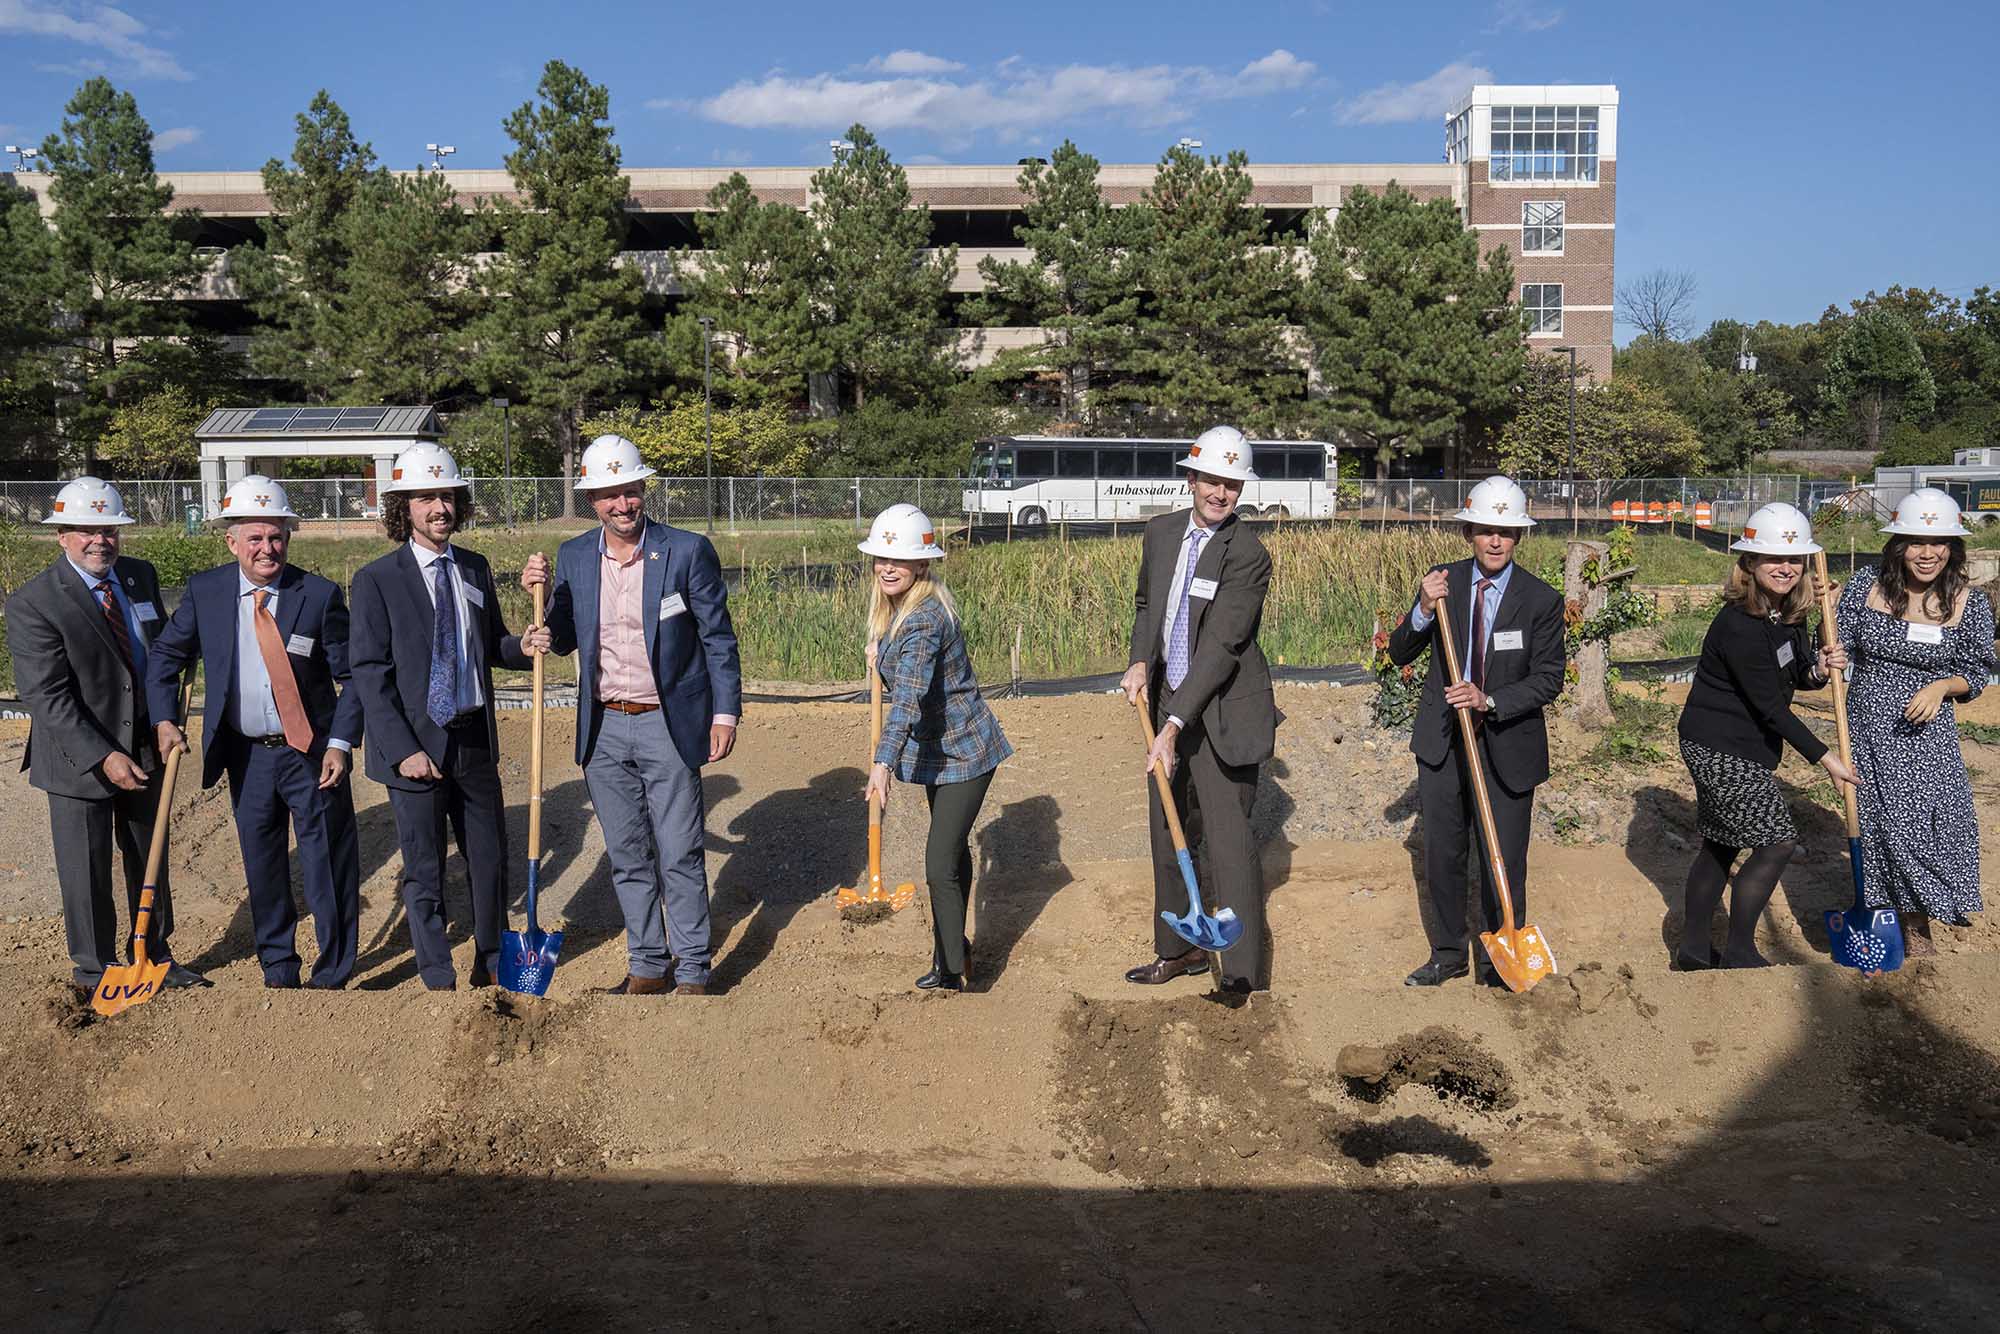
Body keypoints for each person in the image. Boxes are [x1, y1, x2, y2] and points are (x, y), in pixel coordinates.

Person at [519, 433, 742, 997]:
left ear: (644, 489)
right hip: (603, 726)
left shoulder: (687, 551)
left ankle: (692, 971)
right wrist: (541, 615)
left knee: (680, 852)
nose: (621, 504)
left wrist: (725, 713)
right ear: (592, 499)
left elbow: (718, 639)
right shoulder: (573, 556)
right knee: (626, 854)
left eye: (629, 491)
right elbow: (566, 636)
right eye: (607, 495)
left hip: (667, 723)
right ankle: (647, 965)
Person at [145, 476, 365, 989]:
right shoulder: (207, 592)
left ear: (289, 537)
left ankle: (332, 971)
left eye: (277, 538)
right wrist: (162, 718)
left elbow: (353, 675)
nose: (267, 549)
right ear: (232, 541)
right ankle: (279, 967)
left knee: (327, 861)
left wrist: (339, 743)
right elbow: (165, 657)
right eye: (255, 539)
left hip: (311, 751)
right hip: (247, 755)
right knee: (263, 863)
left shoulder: (318, 594)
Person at [5, 477, 208, 997]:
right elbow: (47, 696)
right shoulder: (34, 602)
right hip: (78, 760)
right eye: (86, 531)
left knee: (150, 857)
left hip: (145, 745)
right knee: (87, 870)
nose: (100, 541)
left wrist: (164, 715)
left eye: (109, 530)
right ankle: (94, 972)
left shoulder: (138, 577)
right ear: (62, 536)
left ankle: (154, 955)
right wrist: (103, 755)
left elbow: (161, 655)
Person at [349, 443, 533, 992]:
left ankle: (494, 962)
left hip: (473, 737)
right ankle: (436, 973)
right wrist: (403, 749)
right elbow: (369, 672)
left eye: (448, 496)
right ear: (403, 508)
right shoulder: (376, 580)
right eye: (427, 497)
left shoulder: (473, 567)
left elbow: (492, 645)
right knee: (425, 869)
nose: (440, 508)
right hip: (414, 747)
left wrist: (526, 644)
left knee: (488, 858)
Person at [1387, 475, 1565, 988]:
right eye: (1486, 529)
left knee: (1504, 857)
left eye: (1506, 532)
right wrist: (1422, 609)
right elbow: (1399, 652)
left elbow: (1549, 678)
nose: (1495, 541)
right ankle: (1447, 954)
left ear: (1519, 538)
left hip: (1507, 744)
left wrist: (1490, 700)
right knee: (1444, 854)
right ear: (1469, 531)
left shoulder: (1540, 600)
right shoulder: (1442, 585)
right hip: (1444, 743)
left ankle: (1496, 961)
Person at [1119, 426, 1277, 995]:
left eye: (1232, 484)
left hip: (1221, 711)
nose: (1221, 492)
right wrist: (1140, 660)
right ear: (1192, 478)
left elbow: (1221, 647)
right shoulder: (1161, 534)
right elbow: (1147, 605)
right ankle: (1178, 950)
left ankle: (1239, 972)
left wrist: (1173, 724)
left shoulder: (1248, 556)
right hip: (1166, 699)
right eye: (1212, 479)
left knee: (1230, 839)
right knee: (1168, 828)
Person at [1675, 503, 1856, 970]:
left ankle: (1693, 950)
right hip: (1718, 744)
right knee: (1776, 841)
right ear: (1750, 564)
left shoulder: (1785, 617)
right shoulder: (1739, 624)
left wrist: (1818, 666)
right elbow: (1771, 708)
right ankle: (1739, 950)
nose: (1785, 568)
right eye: (1773, 558)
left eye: (1793, 560)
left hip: (1747, 745)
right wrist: (1827, 759)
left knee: (1722, 841)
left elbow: (1794, 675)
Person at [858, 504, 1012, 992]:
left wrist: (882, 764)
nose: (886, 566)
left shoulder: (924, 620)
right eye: (881, 557)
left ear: (922, 565)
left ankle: (952, 970)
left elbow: (907, 700)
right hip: (936, 753)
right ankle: (955, 950)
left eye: (898, 559)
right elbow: (901, 677)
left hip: (965, 752)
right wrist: (879, 654)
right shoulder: (900, 612)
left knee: (938, 863)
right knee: (952, 854)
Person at [1836, 488, 1994, 956]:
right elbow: (1837, 646)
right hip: (1867, 728)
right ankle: (1908, 935)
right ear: (1897, 545)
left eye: (1939, 543)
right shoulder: (1866, 585)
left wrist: (1941, 686)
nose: (1927, 554)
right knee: (1881, 827)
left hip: (1928, 738)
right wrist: (1829, 651)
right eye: (1916, 543)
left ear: (1953, 548)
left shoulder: (1970, 602)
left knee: (1929, 826)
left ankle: (1922, 925)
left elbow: (1978, 671)